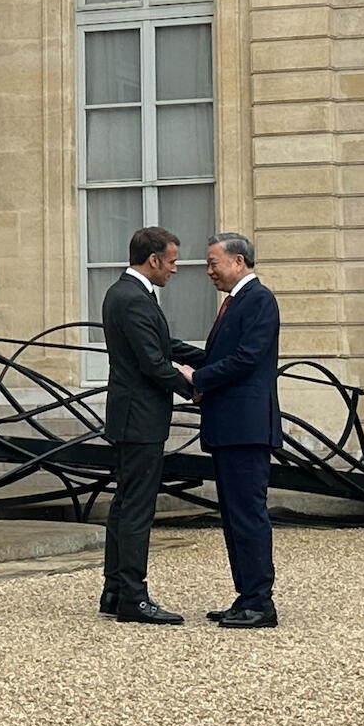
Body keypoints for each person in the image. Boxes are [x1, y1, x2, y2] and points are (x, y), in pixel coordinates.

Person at [179, 231, 280, 629]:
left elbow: (245, 359)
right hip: (230, 427)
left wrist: (199, 377)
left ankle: (260, 602)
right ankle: (246, 596)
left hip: (246, 427)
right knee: (236, 516)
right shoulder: (237, 303)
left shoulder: (259, 300)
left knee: (248, 515)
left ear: (238, 262)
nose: (209, 271)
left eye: (213, 263)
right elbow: (222, 356)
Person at [99, 225, 196, 624]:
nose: (175, 269)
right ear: (153, 260)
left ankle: (114, 590)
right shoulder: (134, 299)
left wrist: (211, 357)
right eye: (171, 261)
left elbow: (165, 346)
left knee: (124, 505)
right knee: (137, 508)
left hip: (130, 415)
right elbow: (154, 363)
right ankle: (133, 598)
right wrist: (194, 388)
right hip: (140, 417)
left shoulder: (127, 293)